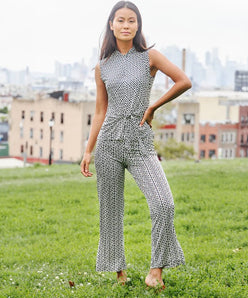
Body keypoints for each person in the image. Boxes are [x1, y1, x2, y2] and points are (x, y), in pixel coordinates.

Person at [81, 0, 192, 289]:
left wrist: (154, 106)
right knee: (111, 211)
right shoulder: (102, 66)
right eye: (121, 20)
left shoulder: (150, 56)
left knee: (164, 204)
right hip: (108, 144)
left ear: (137, 25)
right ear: (111, 24)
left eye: (132, 20)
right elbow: (100, 111)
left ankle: (156, 271)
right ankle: (119, 274)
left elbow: (183, 81)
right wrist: (88, 150)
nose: (126, 25)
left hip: (140, 142)